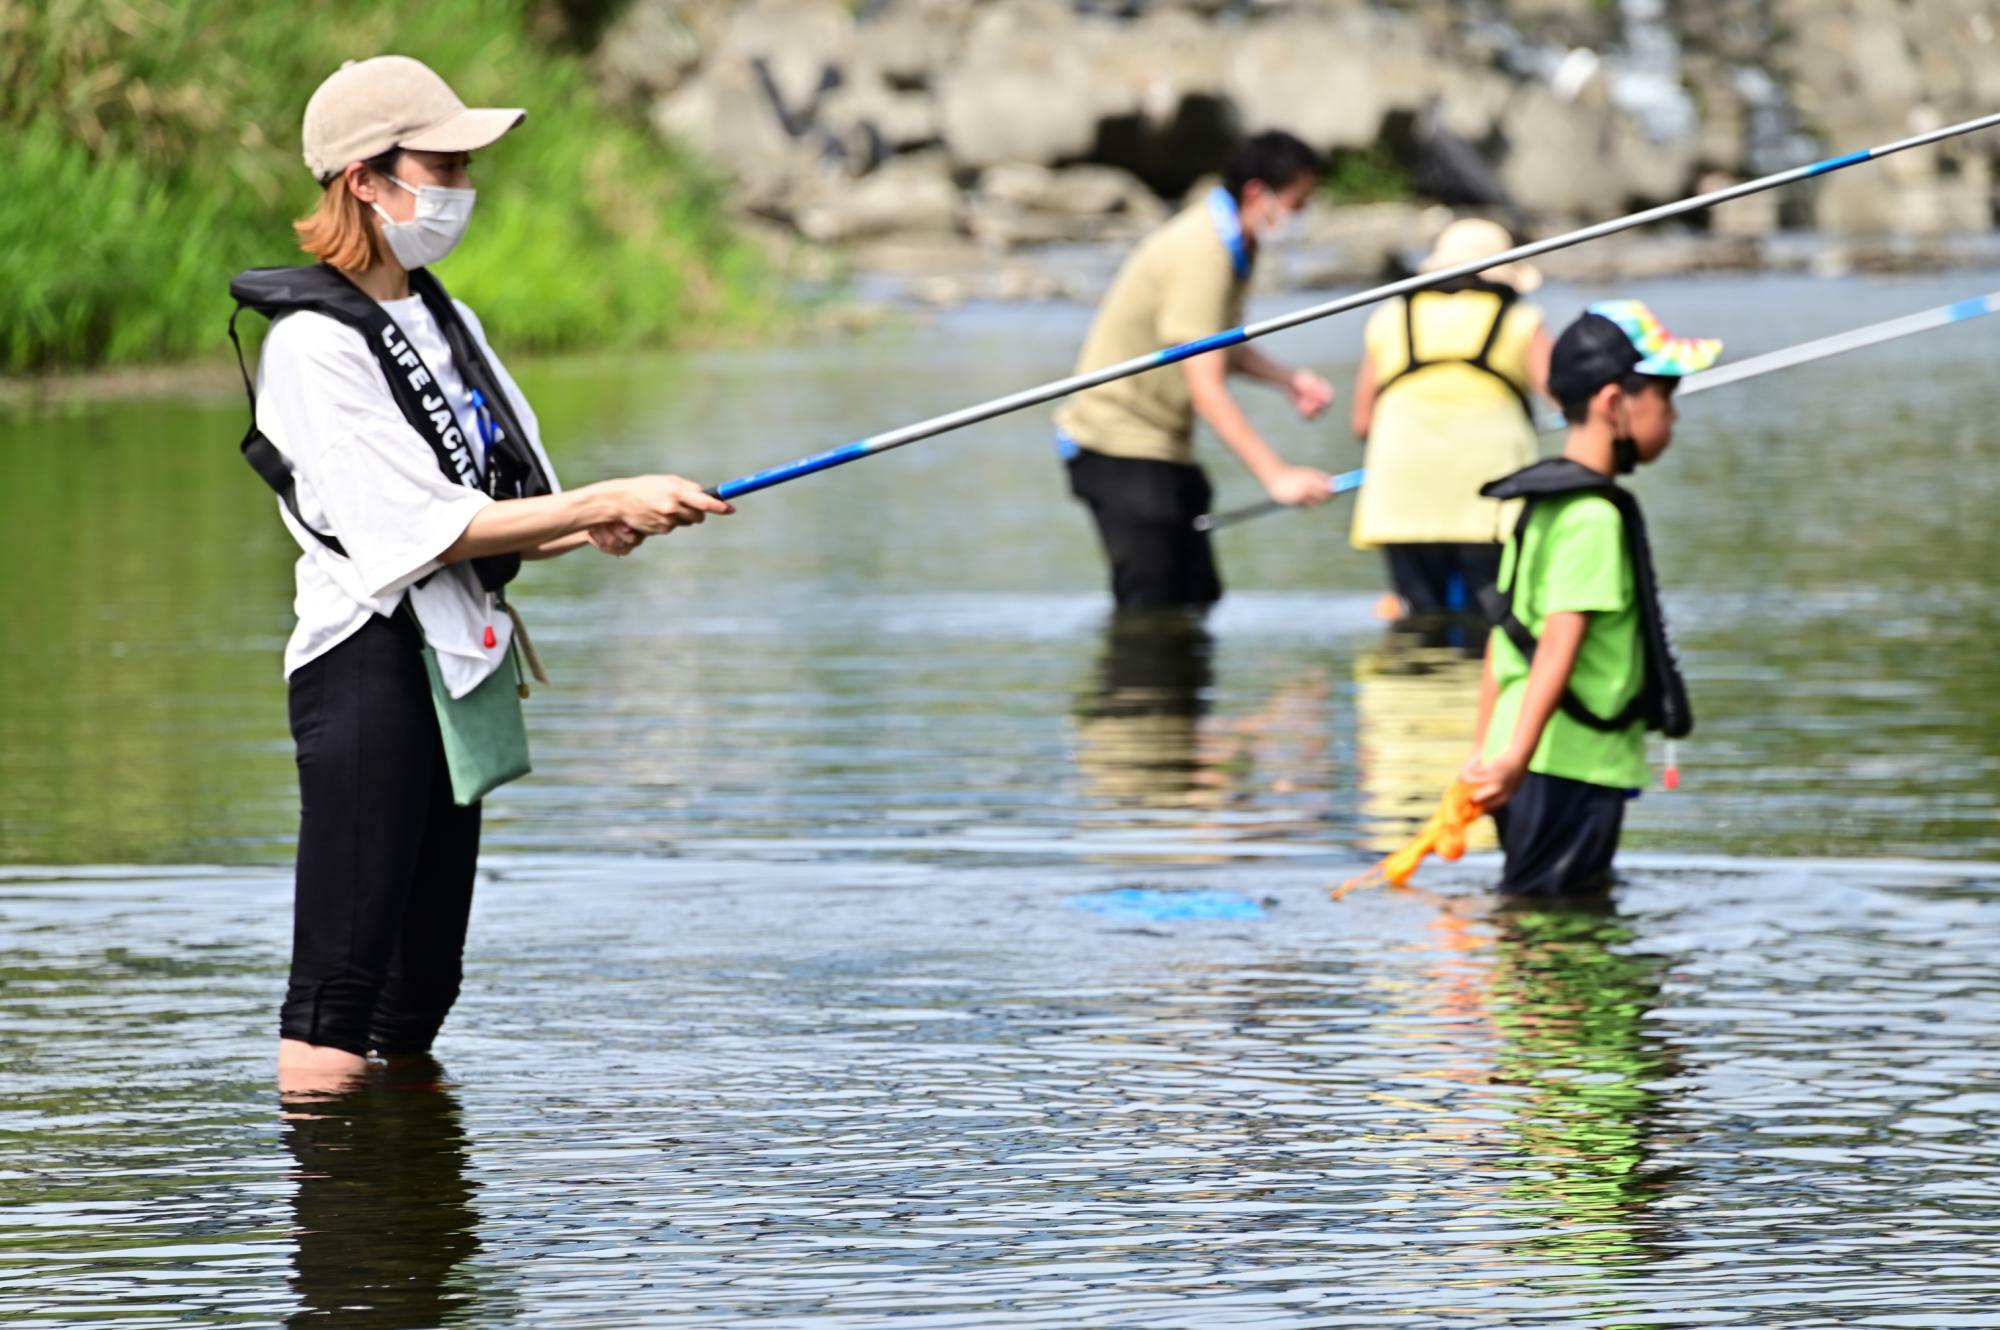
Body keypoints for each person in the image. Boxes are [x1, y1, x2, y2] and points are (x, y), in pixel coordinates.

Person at [234, 56, 732, 1092]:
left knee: (419, 995)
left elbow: (500, 510)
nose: (463, 184)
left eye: (466, 162)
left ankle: (412, 1234)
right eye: (442, 162)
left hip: (455, 663)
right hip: (365, 667)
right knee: (336, 992)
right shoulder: (311, 348)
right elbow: (409, 530)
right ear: (365, 180)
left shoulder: (441, 317)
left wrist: (600, 522)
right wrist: (599, 502)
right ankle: (337, 1249)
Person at [1462, 301, 1718, 895]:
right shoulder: (1593, 517)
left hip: (1525, 756)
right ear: (1614, 404)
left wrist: (1488, 752)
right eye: (1664, 399)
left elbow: (1503, 639)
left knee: (1543, 903)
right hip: (1565, 762)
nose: (1673, 419)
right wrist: (1514, 759)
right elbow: (1558, 642)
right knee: (1555, 928)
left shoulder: (1546, 503)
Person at [1055, 131, 1338, 612]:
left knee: (1198, 597)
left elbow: (1216, 344)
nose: (1301, 217)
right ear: (1256, 193)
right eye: (1297, 202)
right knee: (1152, 613)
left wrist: (1289, 381)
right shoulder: (1203, 250)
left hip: (1161, 447)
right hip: (1118, 445)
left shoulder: (1234, 244)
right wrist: (1277, 476)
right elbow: (1206, 387)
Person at [1348, 219, 1553, 622]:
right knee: (1492, 620)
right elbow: (1568, 397)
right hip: (1492, 496)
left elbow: (1361, 423)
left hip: (1401, 494)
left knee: (1418, 618)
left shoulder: (1391, 316)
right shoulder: (1520, 320)